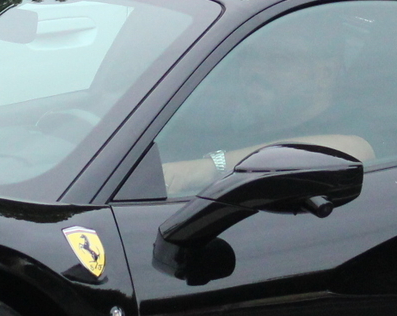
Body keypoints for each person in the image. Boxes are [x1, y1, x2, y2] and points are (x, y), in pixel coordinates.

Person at [160, 32, 374, 195]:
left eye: (279, 59)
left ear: (325, 73)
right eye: (251, 56)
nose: (256, 70)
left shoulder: (353, 124)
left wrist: (207, 169)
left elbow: (355, 150)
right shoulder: (227, 120)